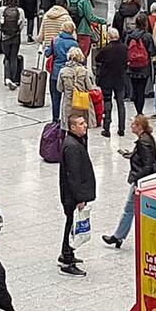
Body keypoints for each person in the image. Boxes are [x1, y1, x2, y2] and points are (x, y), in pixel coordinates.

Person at [103, 113, 156, 248]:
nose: (131, 126)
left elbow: (147, 164)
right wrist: (128, 154)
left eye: (133, 124)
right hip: (145, 179)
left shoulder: (143, 142)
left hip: (142, 181)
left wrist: (137, 181)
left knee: (129, 209)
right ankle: (119, 236)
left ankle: (118, 236)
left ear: (139, 126)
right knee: (133, 209)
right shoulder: (146, 138)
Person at [57, 112, 95, 277]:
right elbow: (73, 175)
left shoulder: (76, 141)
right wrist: (80, 198)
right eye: (80, 124)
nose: (85, 125)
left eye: (84, 123)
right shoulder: (72, 146)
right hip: (72, 196)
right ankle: (67, 258)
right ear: (72, 127)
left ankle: (67, 253)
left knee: (71, 224)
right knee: (71, 225)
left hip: (72, 194)